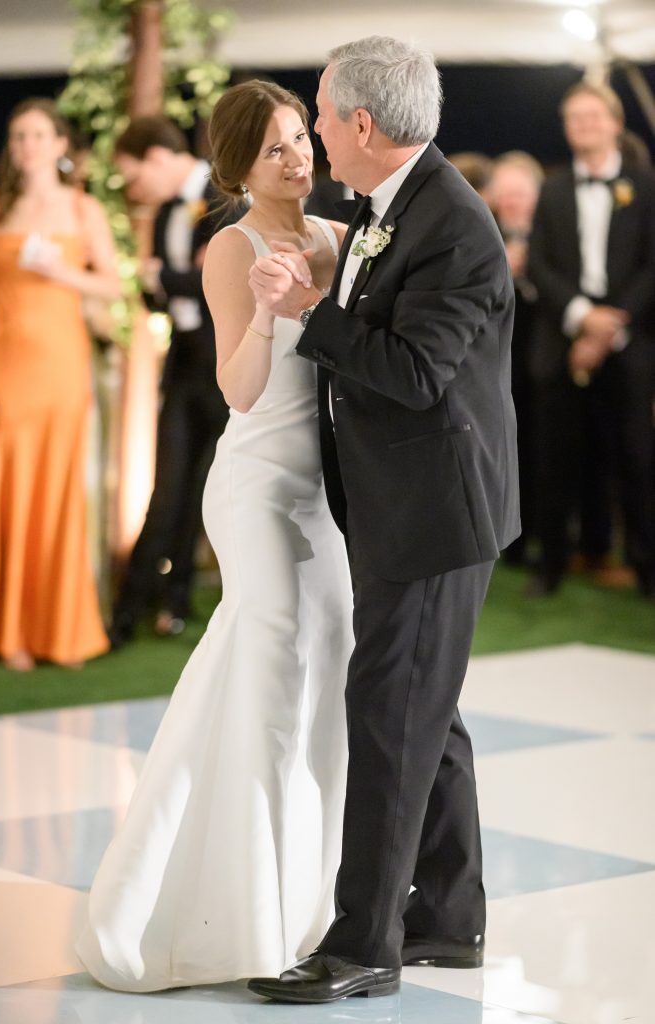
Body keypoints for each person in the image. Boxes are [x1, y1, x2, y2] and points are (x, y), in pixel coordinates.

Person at [247, 36, 519, 1003]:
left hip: (437, 509)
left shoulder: (451, 223)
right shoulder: (398, 207)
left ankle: (364, 943)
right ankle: (448, 920)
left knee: (393, 717)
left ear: (363, 123)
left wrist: (314, 310)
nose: (316, 130)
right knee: (425, 715)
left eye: (321, 113)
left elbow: (410, 375)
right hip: (407, 497)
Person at [76, 80, 354, 990]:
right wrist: (277, 306)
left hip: (327, 494)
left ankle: (314, 894)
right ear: (238, 167)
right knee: (270, 663)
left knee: (332, 661)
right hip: (259, 485)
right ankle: (234, 912)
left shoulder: (342, 238)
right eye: (275, 149)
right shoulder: (231, 248)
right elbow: (237, 389)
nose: (298, 158)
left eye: (301, 141)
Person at [0, 98, 119, 670]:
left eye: (37, 135)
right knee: (2, 487)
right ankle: (5, 630)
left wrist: (60, 271)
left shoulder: (85, 212)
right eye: (17, 137)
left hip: (61, 367)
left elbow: (111, 286)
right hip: (4, 365)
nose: (27, 146)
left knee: (57, 492)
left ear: (60, 145)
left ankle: (60, 629)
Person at [527, 82, 655, 598]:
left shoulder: (645, 185)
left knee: (636, 457)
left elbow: (652, 265)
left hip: (630, 340)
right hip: (564, 340)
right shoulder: (553, 189)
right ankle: (551, 563)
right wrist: (582, 318)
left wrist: (611, 326)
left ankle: (646, 567)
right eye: (573, 117)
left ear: (615, 123)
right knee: (556, 458)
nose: (583, 125)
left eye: (592, 116)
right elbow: (540, 262)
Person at [108, 116, 230, 646]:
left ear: (158, 158)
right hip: (180, 366)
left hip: (224, 369)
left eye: (134, 177)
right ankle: (129, 609)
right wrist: (166, 280)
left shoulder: (227, 198)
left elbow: (220, 280)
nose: (133, 189)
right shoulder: (162, 213)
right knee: (167, 488)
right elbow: (158, 290)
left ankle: (175, 600)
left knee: (204, 491)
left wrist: (167, 275)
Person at [489, 151, 544, 566]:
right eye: (504, 193)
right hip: (499, 364)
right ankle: (512, 542)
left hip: (543, 358)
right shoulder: (483, 232)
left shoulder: (553, 235)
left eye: (519, 193)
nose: (511, 201)